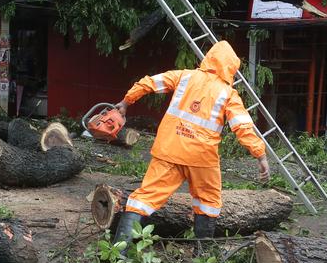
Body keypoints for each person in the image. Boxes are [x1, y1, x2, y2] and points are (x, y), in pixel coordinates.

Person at [113, 40, 269, 244]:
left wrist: (126, 102)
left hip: (169, 151)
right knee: (208, 203)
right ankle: (202, 255)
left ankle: (118, 252)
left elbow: (149, 83)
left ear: (209, 58)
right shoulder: (228, 94)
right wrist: (261, 155)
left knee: (143, 199)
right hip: (202, 159)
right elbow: (243, 128)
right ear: (231, 67)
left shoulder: (184, 76)